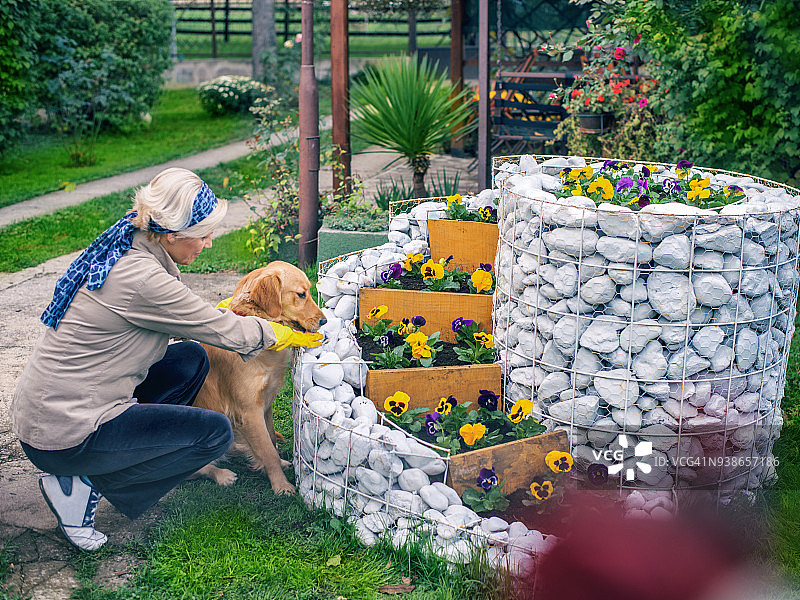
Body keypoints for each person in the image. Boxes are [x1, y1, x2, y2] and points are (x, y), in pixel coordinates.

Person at [10, 167, 322, 551]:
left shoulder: (137, 242)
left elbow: (191, 321)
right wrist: (282, 333)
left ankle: (110, 454)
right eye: (204, 236)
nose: (208, 244)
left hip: (53, 405)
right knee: (213, 433)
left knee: (191, 358)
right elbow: (217, 328)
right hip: (65, 431)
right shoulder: (141, 278)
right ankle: (82, 483)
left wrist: (226, 315)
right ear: (173, 233)